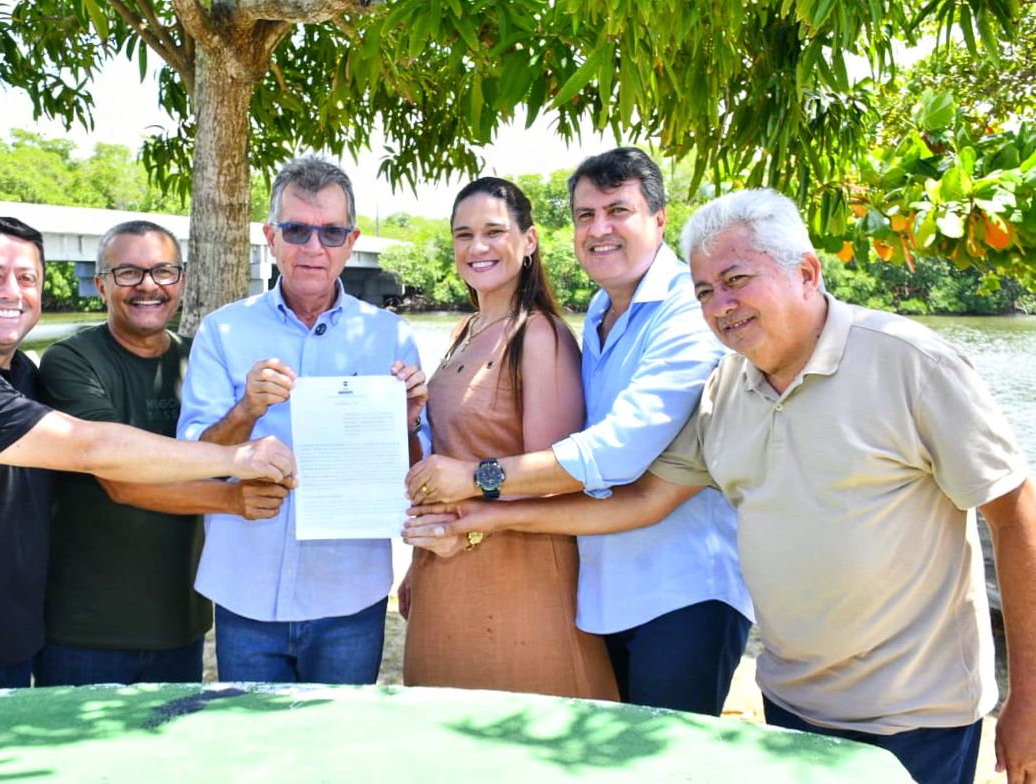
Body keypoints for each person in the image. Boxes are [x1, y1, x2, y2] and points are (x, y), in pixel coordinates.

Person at [405, 189, 1036, 784]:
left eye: (737, 280)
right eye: (704, 290)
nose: (719, 306)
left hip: (916, 712)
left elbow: (1016, 515)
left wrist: (1029, 699)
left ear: (807, 272)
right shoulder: (726, 389)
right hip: (789, 702)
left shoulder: (911, 364)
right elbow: (644, 501)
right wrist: (485, 517)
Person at [0, 216, 294, 697]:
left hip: (7, 648)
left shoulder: (18, 373)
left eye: (27, 278)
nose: (12, 291)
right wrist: (238, 461)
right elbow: (92, 449)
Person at [405, 148, 752, 714]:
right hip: (604, 589)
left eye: (618, 211)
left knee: (663, 754)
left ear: (660, 219)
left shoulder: (688, 311)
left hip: (681, 592)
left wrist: (475, 481)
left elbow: (617, 450)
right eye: (586, 215)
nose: (600, 229)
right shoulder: (597, 312)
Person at [177, 156, 428, 685]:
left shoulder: (391, 337)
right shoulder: (223, 332)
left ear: (351, 242)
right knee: (253, 736)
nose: (314, 247)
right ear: (271, 237)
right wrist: (246, 409)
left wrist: (405, 423)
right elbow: (196, 461)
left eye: (331, 232)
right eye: (297, 230)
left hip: (350, 593)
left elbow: (414, 477)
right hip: (245, 591)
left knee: (340, 737)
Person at [34, 221, 289, 687]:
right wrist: (233, 500)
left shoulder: (198, 359)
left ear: (182, 281)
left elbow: (211, 459)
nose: (148, 285)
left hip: (180, 624)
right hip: (85, 630)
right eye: (128, 272)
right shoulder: (71, 360)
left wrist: (249, 409)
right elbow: (119, 481)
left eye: (163, 271)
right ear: (101, 285)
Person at [401, 177, 617, 699]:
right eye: (463, 234)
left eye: (494, 231)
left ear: (529, 240)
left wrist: (467, 529)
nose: (477, 247)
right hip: (442, 569)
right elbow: (441, 460)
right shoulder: (463, 331)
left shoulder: (539, 335)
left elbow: (553, 480)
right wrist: (408, 421)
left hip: (517, 575)